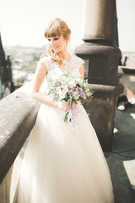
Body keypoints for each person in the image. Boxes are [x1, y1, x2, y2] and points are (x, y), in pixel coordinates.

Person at [15, 18, 114, 203]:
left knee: (79, 164)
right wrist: (57, 104)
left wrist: (75, 101)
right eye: (49, 40)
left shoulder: (78, 63)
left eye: (56, 39)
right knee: (54, 167)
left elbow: (81, 89)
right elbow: (34, 93)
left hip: (76, 117)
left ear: (66, 37)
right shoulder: (45, 63)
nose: (52, 44)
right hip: (52, 119)